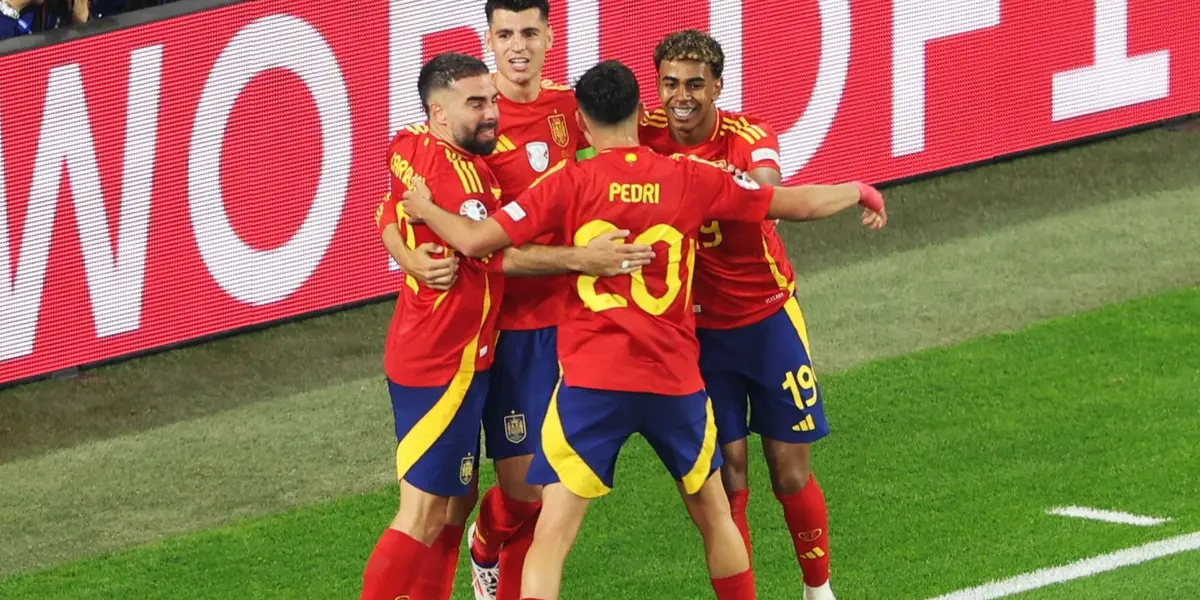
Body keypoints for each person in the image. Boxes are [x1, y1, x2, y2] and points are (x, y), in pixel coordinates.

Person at [399, 59, 885, 600]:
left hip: (592, 383)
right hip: (673, 379)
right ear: (639, 112)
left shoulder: (566, 183)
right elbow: (793, 203)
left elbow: (475, 242)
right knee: (715, 517)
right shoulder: (690, 177)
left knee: (552, 537)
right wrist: (857, 190)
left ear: (581, 123)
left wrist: (424, 209)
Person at [359, 52, 652, 600]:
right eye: (476, 104)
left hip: (464, 352)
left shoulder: (409, 143)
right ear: (439, 113)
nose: (492, 113)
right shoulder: (464, 183)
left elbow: (388, 206)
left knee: (454, 507)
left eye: (490, 100)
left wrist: (404, 251)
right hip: (444, 360)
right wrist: (584, 260)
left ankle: (475, 554)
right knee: (423, 513)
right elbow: (488, 251)